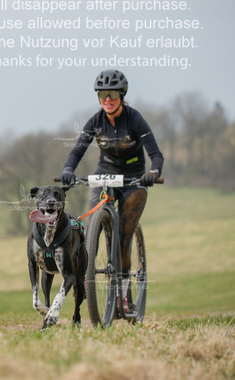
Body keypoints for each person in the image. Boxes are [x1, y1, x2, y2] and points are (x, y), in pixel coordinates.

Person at [60, 69, 164, 312]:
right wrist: (68, 169)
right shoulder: (95, 121)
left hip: (133, 178)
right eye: (102, 94)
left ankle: (124, 296)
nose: (107, 99)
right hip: (104, 173)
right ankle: (84, 277)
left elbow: (156, 154)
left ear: (122, 95)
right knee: (91, 229)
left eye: (113, 94)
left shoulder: (134, 118)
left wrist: (153, 173)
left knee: (123, 238)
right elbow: (77, 151)